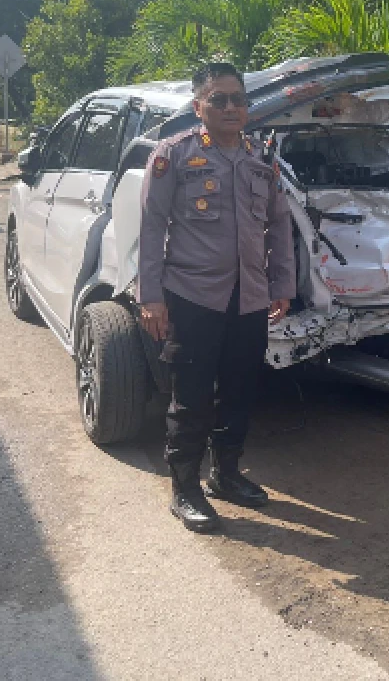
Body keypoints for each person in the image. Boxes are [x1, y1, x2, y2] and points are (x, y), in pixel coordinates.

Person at [138, 62, 295, 533]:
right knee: (190, 396)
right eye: (219, 99)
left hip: (249, 297)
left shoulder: (261, 158)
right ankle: (185, 488)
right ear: (198, 106)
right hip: (193, 297)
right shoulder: (174, 155)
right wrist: (151, 296)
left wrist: (282, 285)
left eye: (238, 99)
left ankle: (226, 474)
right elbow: (152, 227)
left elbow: (279, 225)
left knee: (240, 390)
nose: (231, 107)